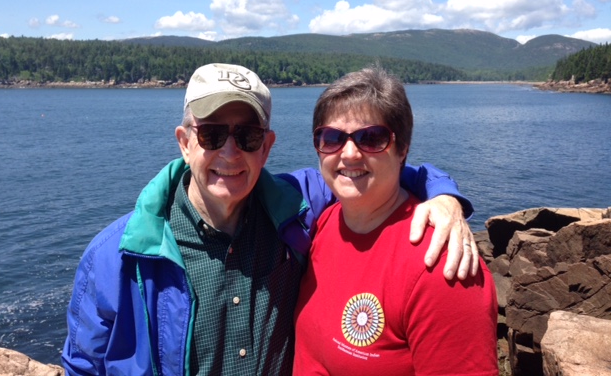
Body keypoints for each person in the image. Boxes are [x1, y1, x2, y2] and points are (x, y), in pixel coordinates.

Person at [62, 63, 479, 376]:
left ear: (266, 147)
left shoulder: (294, 208)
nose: (229, 153)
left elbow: (364, 173)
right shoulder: (115, 256)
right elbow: (83, 366)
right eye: (211, 135)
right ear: (185, 142)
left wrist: (442, 195)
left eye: (247, 137)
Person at [293, 66, 498, 375]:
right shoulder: (323, 223)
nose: (349, 154)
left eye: (371, 138)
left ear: (402, 149)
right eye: (332, 137)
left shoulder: (442, 264)